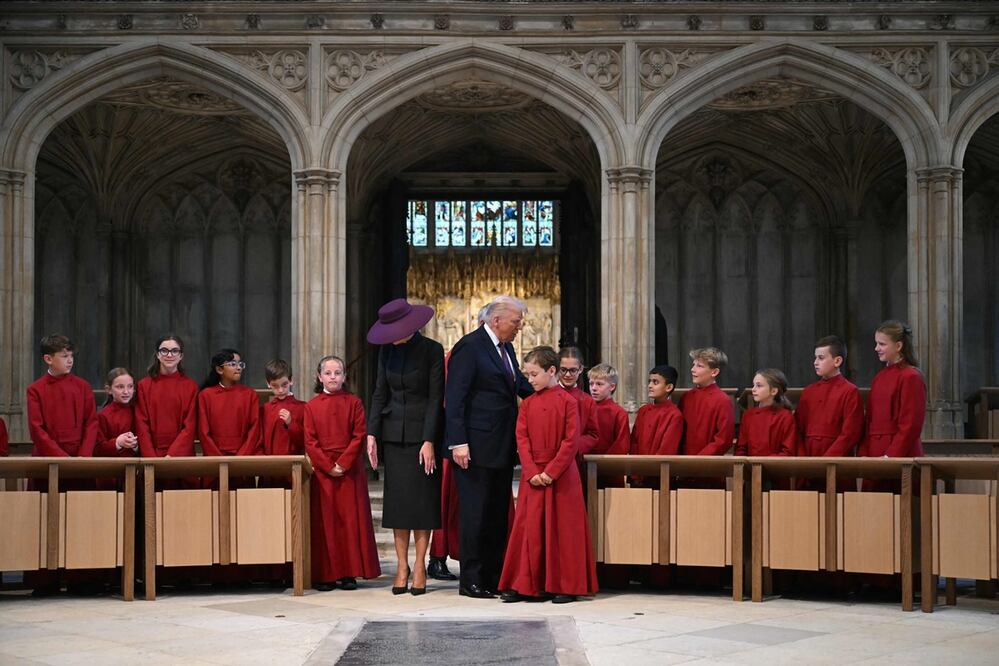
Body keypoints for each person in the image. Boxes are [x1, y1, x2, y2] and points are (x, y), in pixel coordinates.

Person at [444, 295, 533, 598]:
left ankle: (494, 576)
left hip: (501, 446)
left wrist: (551, 395)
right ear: (496, 320)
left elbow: (520, 384)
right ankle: (471, 580)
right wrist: (458, 442)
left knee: (496, 514)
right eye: (516, 321)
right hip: (475, 448)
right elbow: (455, 398)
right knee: (475, 514)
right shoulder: (469, 347)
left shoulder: (506, 349)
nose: (520, 327)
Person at [499, 346, 597, 604]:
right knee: (529, 530)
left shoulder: (569, 402)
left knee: (564, 532)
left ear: (551, 371)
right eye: (527, 375)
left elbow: (570, 440)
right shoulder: (528, 404)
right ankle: (527, 585)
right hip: (534, 476)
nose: (529, 380)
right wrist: (531, 471)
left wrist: (551, 472)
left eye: (533, 374)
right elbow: (522, 439)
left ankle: (565, 585)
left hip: (562, 475)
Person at [365, 298, 444, 596]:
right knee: (398, 508)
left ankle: (420, 565)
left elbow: (436, 398)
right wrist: (372, 433)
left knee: (421, 506)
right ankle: (402, 566)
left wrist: (429, 440)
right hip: (393, 437)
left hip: (422, 437)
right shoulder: (386, 351)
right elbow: (378, 393)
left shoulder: (432, 351)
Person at [304, 355, 380, 591]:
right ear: (319, 377)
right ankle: (326, 574)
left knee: (349, 523)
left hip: (349, 471)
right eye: (328, 373)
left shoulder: (354, 402)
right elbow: (310, 440)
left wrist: (343, 464)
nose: (333, 377)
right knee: (325, 523)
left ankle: (349, 573)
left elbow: (359, 435)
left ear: (344, 376)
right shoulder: (311, 406)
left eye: (337, 373)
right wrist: (328, 466)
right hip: (323, 472)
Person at [26, 334, 98, 460]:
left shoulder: (83, 386)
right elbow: (36, 429)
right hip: (47, 457)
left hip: (80, 457)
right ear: (48, 359)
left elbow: (91, 423)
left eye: (71, 356)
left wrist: (84, 455)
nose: (70, 360)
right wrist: (61, 458)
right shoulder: (35, 390)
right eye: (65, 356)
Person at [862, 320, 926, 459]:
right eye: (876, 343)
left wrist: (891, 455)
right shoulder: (878, 378)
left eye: (882, 344)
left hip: (900, 454)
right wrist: (865, 453)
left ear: (898, 346)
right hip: (875, 452)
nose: (876, 348)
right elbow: (869, 421)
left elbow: (911, 425)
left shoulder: (911, 376)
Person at [795, 336, 864, 458]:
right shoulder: (809, 391)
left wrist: (828, 459)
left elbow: (850, 433)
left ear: (837, 361)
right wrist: (802, 457)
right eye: (815, 358)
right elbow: (798, 428)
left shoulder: (849, 391)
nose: (815, 362)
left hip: (837, 462)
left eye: (821, 358)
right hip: (807, 459)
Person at [135, 334, 199, 459]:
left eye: (175, 351)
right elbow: (141, 425)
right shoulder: (144, 386)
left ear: (181, 356)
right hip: (152, 455)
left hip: (181, 456)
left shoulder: (191, 387)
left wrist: (172, 455)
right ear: (157, 355)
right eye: (164, 350)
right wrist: (151, 458)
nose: (169, 355)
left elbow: (190, 427)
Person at [197, 349, 261, 458]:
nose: (239, 367)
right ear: (219, 369)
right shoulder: (206, 395)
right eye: (233, 364)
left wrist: (240, 457)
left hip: (243, 461)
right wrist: (218, 459)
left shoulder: (250, 395)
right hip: (213, 461)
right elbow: (203, 432)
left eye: (240, 364)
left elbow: (254, 430)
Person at [679, 347, 735, 455]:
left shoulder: (722, 400)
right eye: (693, 364)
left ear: (714, 372)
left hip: (708, 465)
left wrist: (700, 460)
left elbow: (724, 439)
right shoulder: (686, 397)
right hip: (682, 463)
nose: (692, 369)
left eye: (699, 366)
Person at [260, 359, 306, 486]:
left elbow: (306, 441)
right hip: (269, 469)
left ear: (291, 380)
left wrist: (291, 424)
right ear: (268, 383)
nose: (280, 390)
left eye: (284, 385)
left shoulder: (303, 408)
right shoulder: (265, 409)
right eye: (275, 386)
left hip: (293, 469)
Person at [735, 369, 796, 457]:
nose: (753, 389)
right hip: (750, 468)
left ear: (773, 391)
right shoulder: (748, 415)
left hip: (777, 468)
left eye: (759, 386)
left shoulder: (785, 417)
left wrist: (764, 464)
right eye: (753, 385)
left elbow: (788, 451)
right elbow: (741, 448)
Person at [557, 347, 600, 460]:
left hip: (575, 458)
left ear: (580, 369)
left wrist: (572, 447)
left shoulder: (587, 401)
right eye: (563, 369)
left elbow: (593, 434)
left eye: (573, 370)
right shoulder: (548, 396)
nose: (567, 374)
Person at [631, 365, 683, 456]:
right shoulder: (643, 410)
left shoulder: (674, 415)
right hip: (638, 466)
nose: (650, 386)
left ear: (669, 387)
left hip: (660, 467)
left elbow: (668, 448)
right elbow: (634, 441)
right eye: (649, 382)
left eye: (655, 382)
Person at [587, 363, 630, 456]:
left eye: (599, 384)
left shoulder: (619, 413)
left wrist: (604, 463)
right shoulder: (584, 408)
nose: (593, 388)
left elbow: (622, 445)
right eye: (591, 383)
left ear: (612, 386)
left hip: (608, 465)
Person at [95, 368, 138, 459]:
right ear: (109, 389)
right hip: (112, 466)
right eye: (120, 387)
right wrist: (117, 443)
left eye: (130, 386)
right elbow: (97, 448)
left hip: (139, 464)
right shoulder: (103, 415)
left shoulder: (138, 411)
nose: (126, 392)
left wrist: (135, 445)